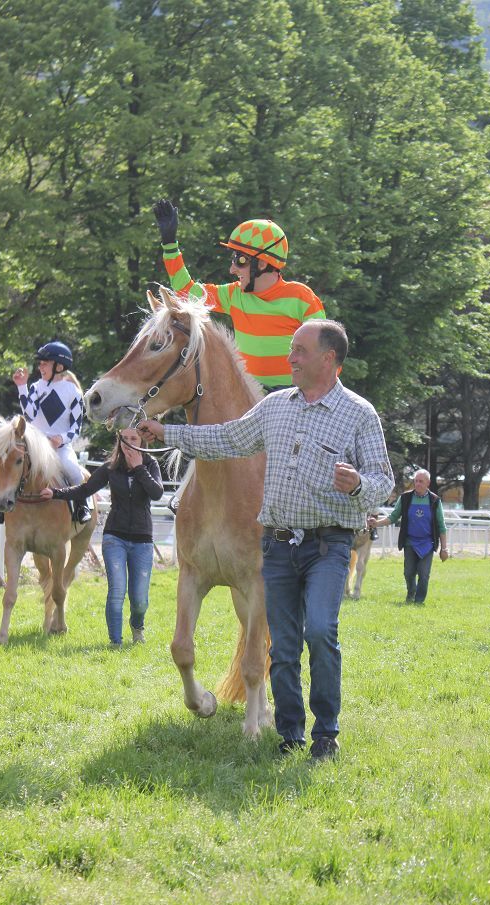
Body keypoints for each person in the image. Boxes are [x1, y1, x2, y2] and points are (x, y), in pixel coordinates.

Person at [137, 320, 394, 759]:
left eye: (300, 351)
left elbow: (384, 482)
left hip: (327, 546)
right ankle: (290, 734)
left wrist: (357, 485)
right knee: (284, 645)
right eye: (291, 349)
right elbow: (226, 438)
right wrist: (166, 433)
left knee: (320, 631)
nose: (290, 358)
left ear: (329, 359)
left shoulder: (359, 414)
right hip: (277, 545)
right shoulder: (275, 407)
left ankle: (326, 732)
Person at [154, 198, 326, 391]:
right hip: (251, 396)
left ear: (262, 263)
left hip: (295, 396)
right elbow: (186, 292)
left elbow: (326, 351)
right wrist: (170, 245)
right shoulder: (233, 294)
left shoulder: (302, 298)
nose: (232, 269)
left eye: (240, 260)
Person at [40, 427, 163, 647]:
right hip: (114, 537)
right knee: (116, 592)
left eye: (133, 438)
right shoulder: (110, 467)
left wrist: (138, 468)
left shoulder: (150, 464)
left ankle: (137, 627)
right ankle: (115, 642)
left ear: (142, 441)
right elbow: (85, 489)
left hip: (142, 540)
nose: (128, 442)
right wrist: (56, 493)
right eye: (124, 438)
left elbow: (157, 493)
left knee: (139, 600)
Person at [6, 339, 90, 523]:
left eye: (45, 364)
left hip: (60, 448)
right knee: (12, 463)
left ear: (59, 366)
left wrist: (61, 438)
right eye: (40, 364)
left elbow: (76, 428)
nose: (40, 367)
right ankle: (2, 505)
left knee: (73, 471)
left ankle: (82, 506)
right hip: (35, 445)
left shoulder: (74, 393)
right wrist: (22, 386)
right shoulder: (36, 387)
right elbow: (29, 415)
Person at [372, 469, 448, 604]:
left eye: (421, 481)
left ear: (428, 483)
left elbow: (441, 526)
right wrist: (376, 523)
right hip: (409, 542)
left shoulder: (435, 501)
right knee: (408, 572)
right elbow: (393, 517)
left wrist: (444, 548)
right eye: (416, 481)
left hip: (427, 543)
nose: (417, 484)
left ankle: (419, 601)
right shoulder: (405, 498)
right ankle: (411, 594)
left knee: (424, 574)